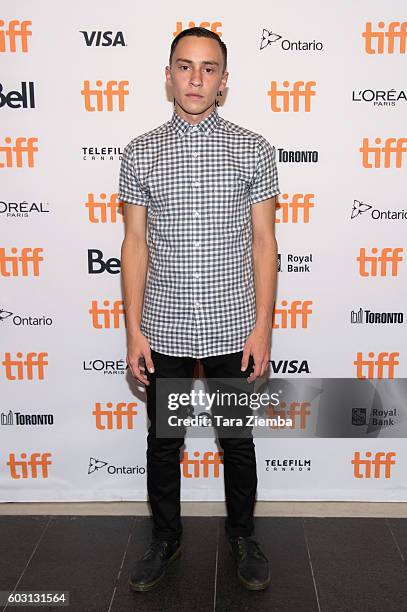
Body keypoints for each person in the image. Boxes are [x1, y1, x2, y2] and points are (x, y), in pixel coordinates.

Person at [118, 26, 280, 592]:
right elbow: (135, 245)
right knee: (164, 441)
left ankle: (242, 535)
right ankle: (165, 537)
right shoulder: (139, 151)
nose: (196, 78)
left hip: (235, 325)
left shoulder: (253, 149)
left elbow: (265, 242)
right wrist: (134, 330)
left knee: (236, 439)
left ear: (224, 82)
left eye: (208, 69)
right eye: (185, 66)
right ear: (168, 75)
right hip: (163, 324)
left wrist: (262, 327)